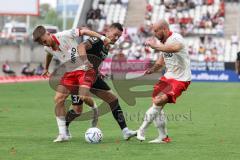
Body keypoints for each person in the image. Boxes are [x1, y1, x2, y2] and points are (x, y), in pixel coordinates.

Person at [33, 25, 110, 142]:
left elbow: (84, 31)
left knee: (83, 96)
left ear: (48, 34)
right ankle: (62, 134)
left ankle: (95, 109)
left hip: (83, 69)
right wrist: (46, 68)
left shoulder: (66, 35)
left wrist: (103, 38)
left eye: (44, 41)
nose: (45, 44)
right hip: (70, 73)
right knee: (58, 99)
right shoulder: (47, 48)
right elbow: (49, 54)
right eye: (41, 43)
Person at [65, 23, 137, 140]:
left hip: (93, 76)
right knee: (77, 110)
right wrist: (85, 62)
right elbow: (81, 46)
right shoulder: (97, 39)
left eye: (119, 37)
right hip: (80, 75)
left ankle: (125, 131)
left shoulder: (107, 46)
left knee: (113, 100)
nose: (116, 38)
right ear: (108, 31)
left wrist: (98, 72)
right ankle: (65, 126)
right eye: (115, 35)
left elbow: (96, 58)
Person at [136, 19, 191, 143]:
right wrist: (152, 69)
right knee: (157, 104)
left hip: (180, 78)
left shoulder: (176, 38)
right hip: (168, 77)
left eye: (156, 31)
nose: (154, 33)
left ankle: (141, 129)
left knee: (159, 101)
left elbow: (174, 48)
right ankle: (163, 137)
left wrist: (154, 45)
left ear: (164, 29)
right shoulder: (164, 43)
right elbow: (161, 62)